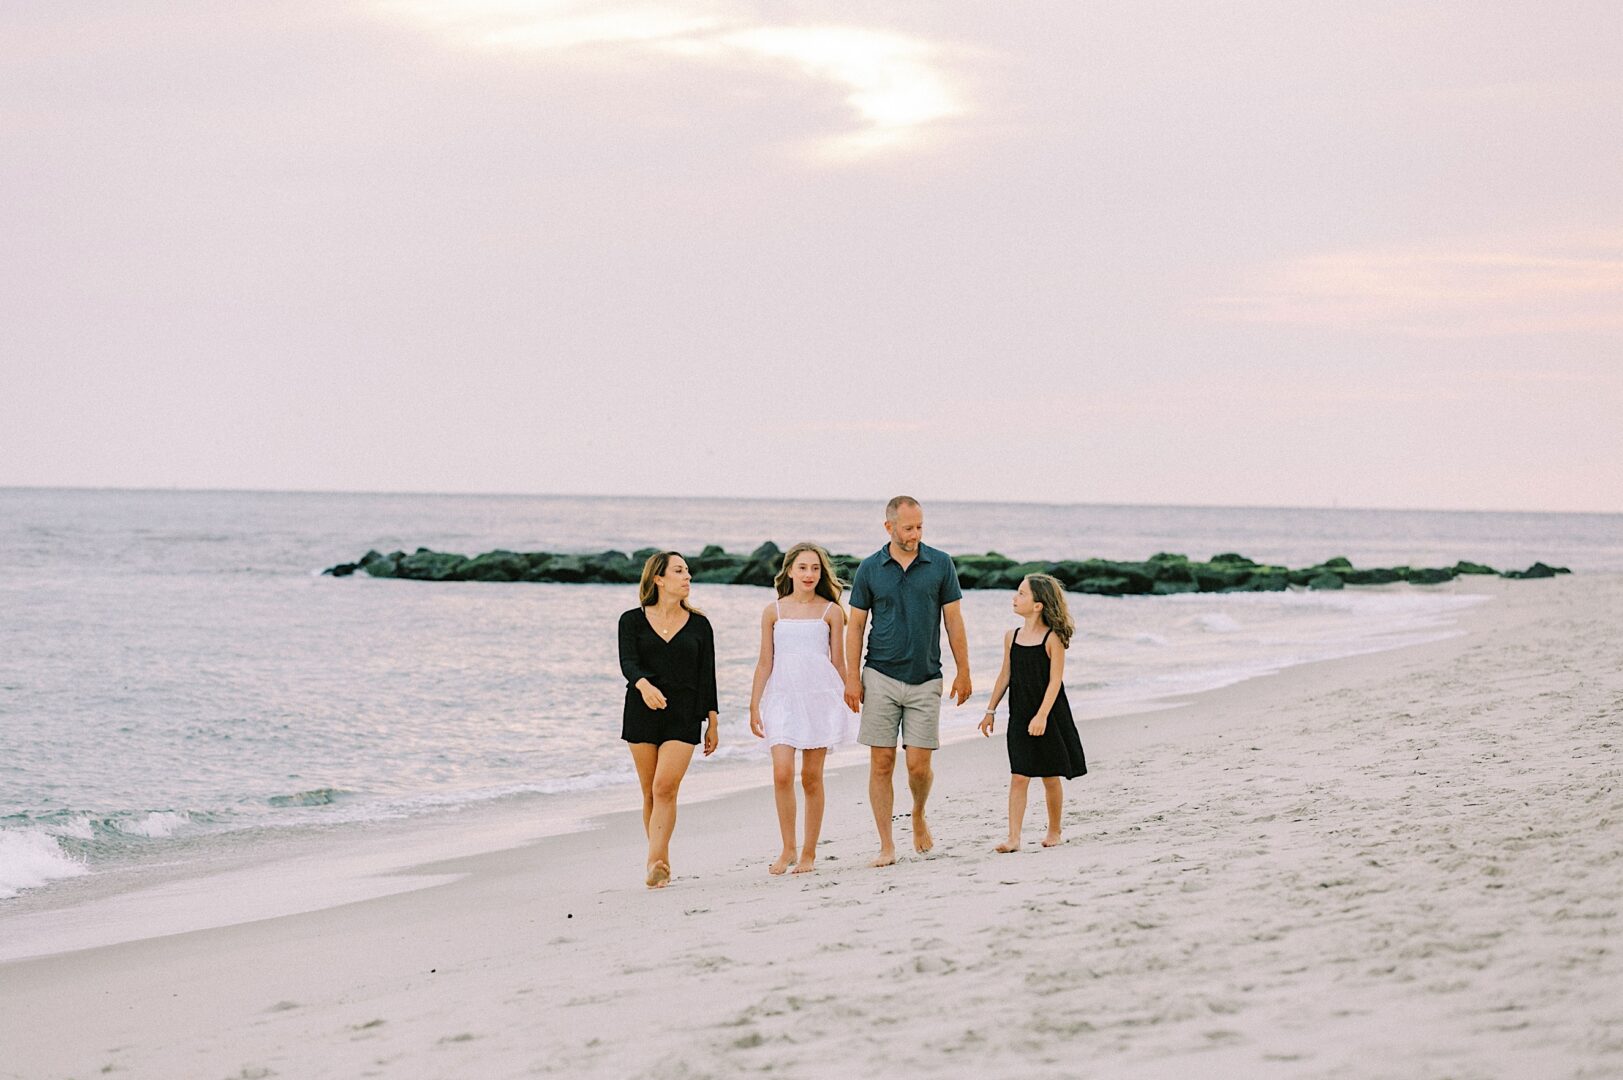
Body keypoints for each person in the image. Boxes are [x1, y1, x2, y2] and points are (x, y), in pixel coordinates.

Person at [843, 495, 972, 867]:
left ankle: (917, 812)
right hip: (879, 674)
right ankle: (886, 845)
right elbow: (855, 627)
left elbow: (954, 621)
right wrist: (852, 677)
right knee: (881, 763)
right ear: (889, 527)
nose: (915, 534)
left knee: (918, 765)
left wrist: (964, 670)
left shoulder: (940, 564)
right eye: (908, 528)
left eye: (920, 527)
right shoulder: (869, 568)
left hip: (926, 678)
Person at [748, 542, 857, 875]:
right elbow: (765, 661)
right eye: (803, 567)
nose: (809, 574)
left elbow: (838, 661)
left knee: (811, 778)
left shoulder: (832, 612)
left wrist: (851, 692)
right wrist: (754, 705)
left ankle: (808, 854)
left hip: (820, 698)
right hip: (782, 698)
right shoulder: (773, 611)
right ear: (790, 571)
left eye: (815, 568)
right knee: (782, 774)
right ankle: (788, 849)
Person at [618, 551, 719, 888]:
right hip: (641, 711)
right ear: (658, 579)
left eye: (688, 571)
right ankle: (661, 861)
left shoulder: (701, 624)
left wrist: (713, 721)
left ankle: (653, 861)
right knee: (649, 792)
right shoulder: (631, 620)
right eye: (678, 571)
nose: (687, 576)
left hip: (684, 714)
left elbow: (708, 676)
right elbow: (628, 663)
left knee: (665, 787)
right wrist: (644, 685)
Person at [978, 574, 1087, 851]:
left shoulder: (1053, 639)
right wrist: (990, 710)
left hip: (1048, 713)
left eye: (1022, 594)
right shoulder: (1011, 637)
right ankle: (1014, 838)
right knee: (1019, 775)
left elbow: (1055, 681)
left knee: (1050, 776)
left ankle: (1054, 830)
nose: (1015, 598)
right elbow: (1005, 675)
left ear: (1038, 605)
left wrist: (1042, 716)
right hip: (1020, 713)